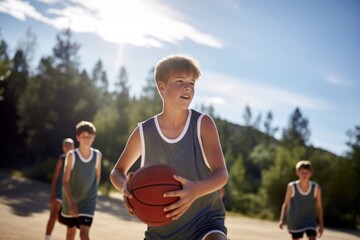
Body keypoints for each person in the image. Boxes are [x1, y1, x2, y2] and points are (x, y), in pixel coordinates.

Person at [110, 54, 229, 240]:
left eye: (192, 82)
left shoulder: (203, 124)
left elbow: (221, 173)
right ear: (161, 86)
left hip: (205, 222)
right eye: (180, 81)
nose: (188, 86)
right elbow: (117, 171)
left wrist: (196, 189)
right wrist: (125, 185)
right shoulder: (144, 132)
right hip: (161, 230)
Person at [59, 121, 102, 240]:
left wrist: (92, 193)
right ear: (78, 137)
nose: (87, 139)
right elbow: (66, 181)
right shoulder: (72, 155)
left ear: (94, 137)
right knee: (71, 232)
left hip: (89, 201)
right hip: (71, 199)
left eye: (90, 136)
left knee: (84, 234)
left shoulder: (97, 155)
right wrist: (71, 203)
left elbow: (97, 177)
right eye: (84, 136)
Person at [279, 160, 324, 240]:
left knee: (312, 237)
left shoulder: (316, 188)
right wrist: (282, 219)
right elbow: (286, 204)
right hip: (295, 221)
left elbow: (319, 206)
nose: (304, 175)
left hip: (310, 220)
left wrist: (321, 224)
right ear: (297, 172)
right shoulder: (291, 187)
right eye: (302, 172)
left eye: (307, 173)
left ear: (311, 173)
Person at [45, 138, 74, 240]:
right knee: (53, 214)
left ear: (73, 147)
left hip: (72, 194)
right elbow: (55, 178)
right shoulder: (61, 159)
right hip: (59, 193)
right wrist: (52, 195)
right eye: (66, 144)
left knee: (71, 224)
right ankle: (47, 238)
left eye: (70, 144)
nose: (68, 146)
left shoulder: (77, 159)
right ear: (63, 148)